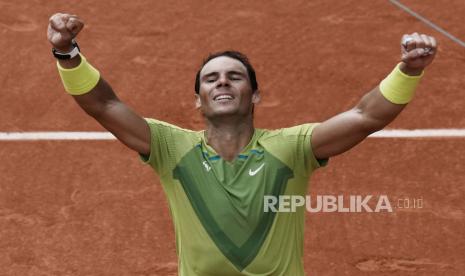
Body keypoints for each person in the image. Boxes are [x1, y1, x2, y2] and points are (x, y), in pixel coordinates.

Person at [47, 12, 438, 276]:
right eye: (211, 78)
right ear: (199, 100)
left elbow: (366, 116)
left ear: (254, 96)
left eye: (235, 77)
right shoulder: (170, 147)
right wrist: (66, 52)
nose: (222, 82)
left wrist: (407, 70)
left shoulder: (291, 148)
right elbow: (104, 104)